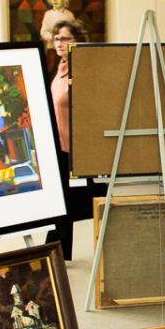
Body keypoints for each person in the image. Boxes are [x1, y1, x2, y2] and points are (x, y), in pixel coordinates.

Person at [45, 18, 103, 260]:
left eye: (65, 38)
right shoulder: (58, 67)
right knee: (62, 201)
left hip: (75, 148)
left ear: (76, 40)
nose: (59, 43)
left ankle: (54, 250)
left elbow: (92, 107)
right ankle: (57, 252)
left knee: (68, 201)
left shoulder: (82, 69)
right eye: (56, 38)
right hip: (58, 146)